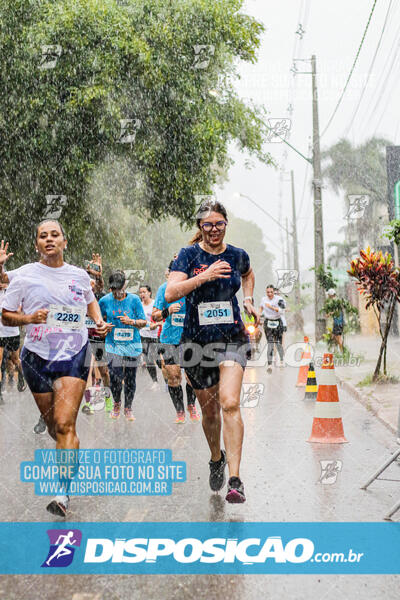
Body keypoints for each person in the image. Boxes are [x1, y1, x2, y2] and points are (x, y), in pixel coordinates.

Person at [1, 220, 109, 516]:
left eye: (55, 235)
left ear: (64, 241)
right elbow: (6, 316)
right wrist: (30, 319)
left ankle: (62, 493)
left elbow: (90, 303)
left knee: (64, 423)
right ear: (36, 244)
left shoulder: (78, 275)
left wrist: (98, 321)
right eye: (42, 236)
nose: (49, 239)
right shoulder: (23, 275)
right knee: (54, 427)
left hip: (73, 353)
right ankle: (69, 445)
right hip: (36, 356)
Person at [166, 199, 259, 503]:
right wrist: (204, 276)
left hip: (232, 338)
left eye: (219, 224)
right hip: (196, 343)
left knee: (230, 403)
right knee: (210, 413)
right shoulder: (187, 256)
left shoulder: (237, 255)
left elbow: (248, 274)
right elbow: (170, 293)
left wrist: (247, 300)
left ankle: (235, 479)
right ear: (200, 227)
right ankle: (215, 457)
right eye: (208, 225)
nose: (214, 229)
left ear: (225, 224)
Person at [153, 262, 200, 424]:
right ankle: (180, 411)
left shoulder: (194, 287)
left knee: (192, 378)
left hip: (190, 339)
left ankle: (191, 404)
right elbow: (155, 316)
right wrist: (167, 311)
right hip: (169, 340)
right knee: (173, 376)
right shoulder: (163, 289)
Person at [98, 270, 146, 420]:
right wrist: (103, 328)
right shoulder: (104, 301)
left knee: (131, 378)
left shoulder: (134, 300)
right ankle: (117, 402)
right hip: (113, 345)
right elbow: (99, 321)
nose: (117, 293)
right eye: (114, 290)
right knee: (115, 376)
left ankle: (128, 407)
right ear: (110, 288)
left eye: (120, 289)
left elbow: (143, 322)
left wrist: (131, 321)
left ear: (125, 285)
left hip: (132, 345)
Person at [82, 254, 113, 413]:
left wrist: (99, 274)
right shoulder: (78, 294)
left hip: (99, 337)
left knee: (104, 372)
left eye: (93, 282)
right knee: (88, 370)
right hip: (83, 338)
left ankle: (108, 398)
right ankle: (91, 404)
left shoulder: (99, 296)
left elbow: (100, 286)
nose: (91, 285)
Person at [0, 282, 26, 403]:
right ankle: (0, 393)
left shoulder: (14, 293)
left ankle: (21, 377)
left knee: (15, 359)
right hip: (0, 333)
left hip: (12, 332)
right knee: (0, 360)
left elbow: (21, 311)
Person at [139, 285, 160, 391]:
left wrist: (155, 325)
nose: (142, 294)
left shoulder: (155, 304)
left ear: (149, 293)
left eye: (144, 292)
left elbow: (161, 318)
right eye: (140, 292)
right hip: (143, 335)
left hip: (155, 335)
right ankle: (155, 381)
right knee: (148, 360)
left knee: (158, 360)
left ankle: (167, 380)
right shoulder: (139, 305)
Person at [260, 285, 285, 373]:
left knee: (278, 343)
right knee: (270, 343)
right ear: (266, 292)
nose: (269, 294)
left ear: (274, 292)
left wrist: (271, 307)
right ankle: (270, 364)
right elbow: (261, 308)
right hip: (268, 322)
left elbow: (282, 310)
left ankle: (281, 360)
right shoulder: (263, 299)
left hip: (277, 321)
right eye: (268, 292)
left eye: (271, 292)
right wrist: (259, 315)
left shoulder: (279, 299)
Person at [326, 288, 344, 352]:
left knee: (338, 337)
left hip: (338, 322)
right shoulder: (336, 300)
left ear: (331, 295)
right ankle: (336, 351)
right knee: (333, 336)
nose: (328, 296)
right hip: (338, 322)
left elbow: (336, 311)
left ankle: (342, 352)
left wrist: (329, 314)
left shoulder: (335, 301)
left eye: (328, 294)